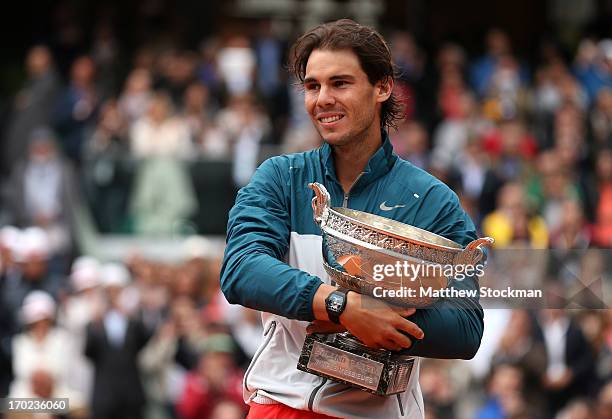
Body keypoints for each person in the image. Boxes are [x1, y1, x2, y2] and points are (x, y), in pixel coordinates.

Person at [220, 19, 484, 419]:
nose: (322, 98)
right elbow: (241, 269)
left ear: (382, 87)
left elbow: (465, 327)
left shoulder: (432, 200)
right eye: (313, 86)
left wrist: (378, 324)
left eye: (340, 83)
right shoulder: (279, 177)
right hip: (281, 406)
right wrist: (342, 306)